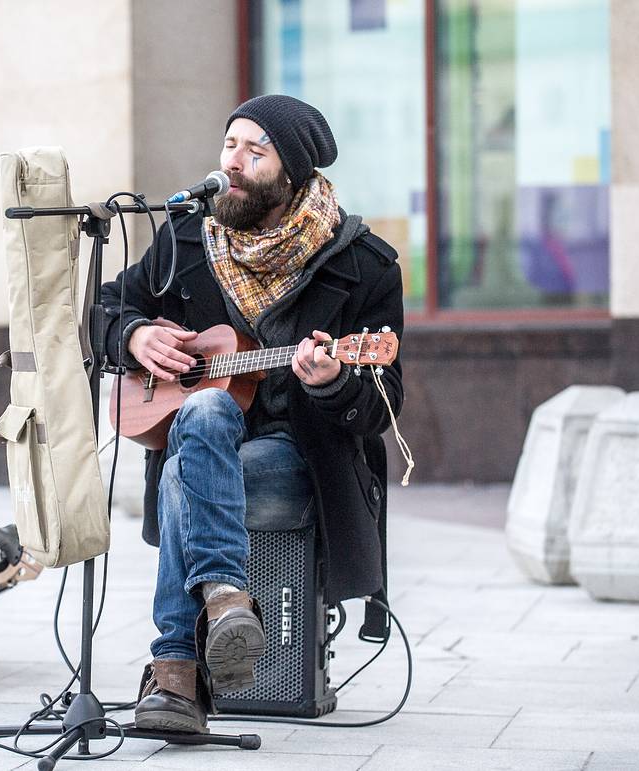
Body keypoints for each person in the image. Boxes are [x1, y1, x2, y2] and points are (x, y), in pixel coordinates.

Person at [100, 95, 405, 733]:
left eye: (253, 151)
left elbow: (384, 404)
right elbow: (102, 307)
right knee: (207, 413)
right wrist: (132, 336)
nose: (231, 163)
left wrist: (331, 382)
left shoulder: (362, 264)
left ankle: (175, 670)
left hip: (298, 457)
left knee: (188, 468)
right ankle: (228, 598)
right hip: (207, 437)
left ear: (290, 174)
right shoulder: (187, 239)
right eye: (229, 143)